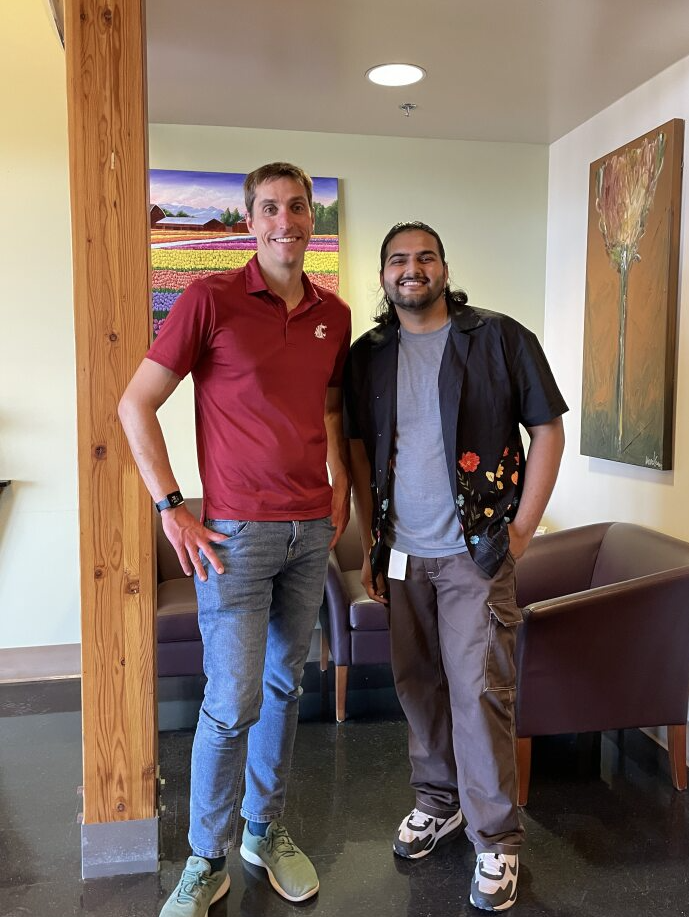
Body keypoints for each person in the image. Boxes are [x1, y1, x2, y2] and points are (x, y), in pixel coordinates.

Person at [119, 162, 351, 916]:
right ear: (249, 221)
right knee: (232, 699)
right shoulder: (209, 298)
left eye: (297, 208)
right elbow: (136, 404)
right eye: (270, 209)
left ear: (310, 219)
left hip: (309, 529)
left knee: (286, 686)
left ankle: (262, 829)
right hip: (235, 536)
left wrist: (340, 483)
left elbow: (325, 409)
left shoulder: (333, 313)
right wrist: (169, 506)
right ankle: (205, 856)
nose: (286, 221)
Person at [343, 221, 567, 912]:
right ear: (382, 274)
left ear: (443, 266)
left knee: (479, 691)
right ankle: (437, 803)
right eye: (398, 260)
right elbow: (355, 447)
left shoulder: (498, 338)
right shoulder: (367, 355)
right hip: (403, 555)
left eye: (424, 257)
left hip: (475, 552)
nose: (412, 269)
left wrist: (522, 529)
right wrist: (370, 538)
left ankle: (496, 838)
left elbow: (548, 429)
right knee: (417, 684)